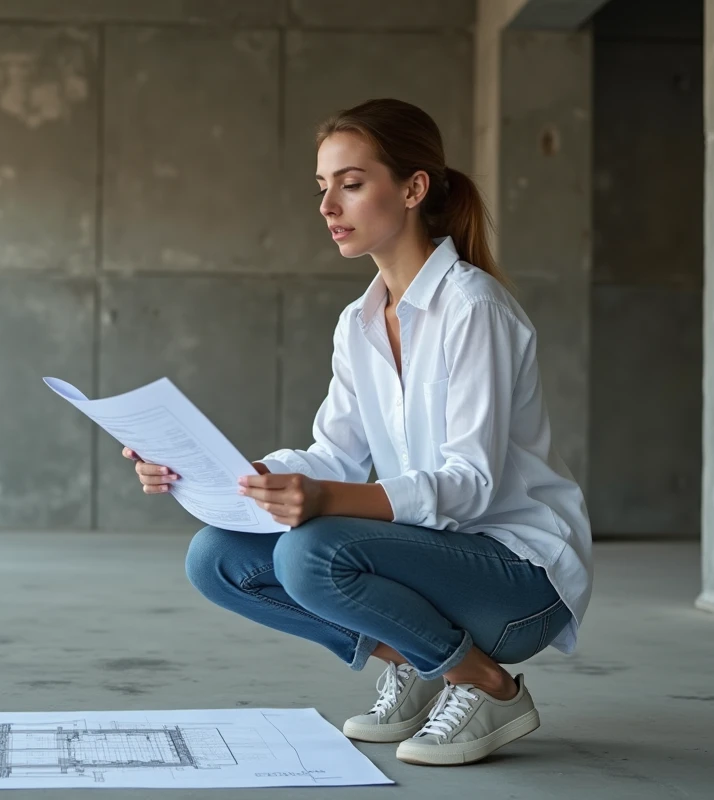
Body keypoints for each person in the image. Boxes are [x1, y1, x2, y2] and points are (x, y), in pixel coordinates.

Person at [123, 98, 593, 767]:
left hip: (517, 578)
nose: (327, 206)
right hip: (431, 560)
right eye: (322, 188)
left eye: (350, 183)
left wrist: (323, 501)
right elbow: (331, 457)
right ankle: (425, 661)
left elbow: (473, 485)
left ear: (412, 188)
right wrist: (212, 467)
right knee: (216, 558)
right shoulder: (360, 322)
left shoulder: (473, 310)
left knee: (309, 553)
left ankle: (489, 684)